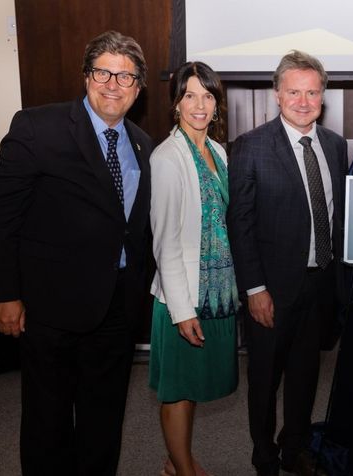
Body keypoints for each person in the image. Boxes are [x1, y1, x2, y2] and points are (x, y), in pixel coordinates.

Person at [0, 31, 152, 476]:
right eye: (103, 72)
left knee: (104, 418)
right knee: (47, 421)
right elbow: (0, 217)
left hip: (116, 309)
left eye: (126, 76)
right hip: (49, 309)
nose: (113, 84)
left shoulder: (141, 144)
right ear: (86, 76)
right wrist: (4, 293)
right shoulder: (38, 127)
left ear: (138, 88)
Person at [227, 50, 347, 476]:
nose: (303, 100)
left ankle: (293, 446)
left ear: (322, 96)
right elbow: (238, 224)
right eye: (294, 91)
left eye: (312, 92)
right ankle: (263, 456)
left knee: (304, 374)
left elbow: (338, 215)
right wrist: (255, 289)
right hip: (271, 292)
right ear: (277, 94)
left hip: (319, 286)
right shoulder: (250, 147)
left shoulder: (334, 145)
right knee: (265, 380)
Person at [148, 61, 239, 476]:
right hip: (181, 297)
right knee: (179, 390)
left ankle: (177, 459)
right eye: (189, 95)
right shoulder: (167, 157)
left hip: (217, 290)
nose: (199, 105)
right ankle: (181, 468)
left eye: (207, 96)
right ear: (176, 104)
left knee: (197, 386)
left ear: (217, 105)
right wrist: (182, 311)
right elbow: (165, 241)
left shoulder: (218, 152)